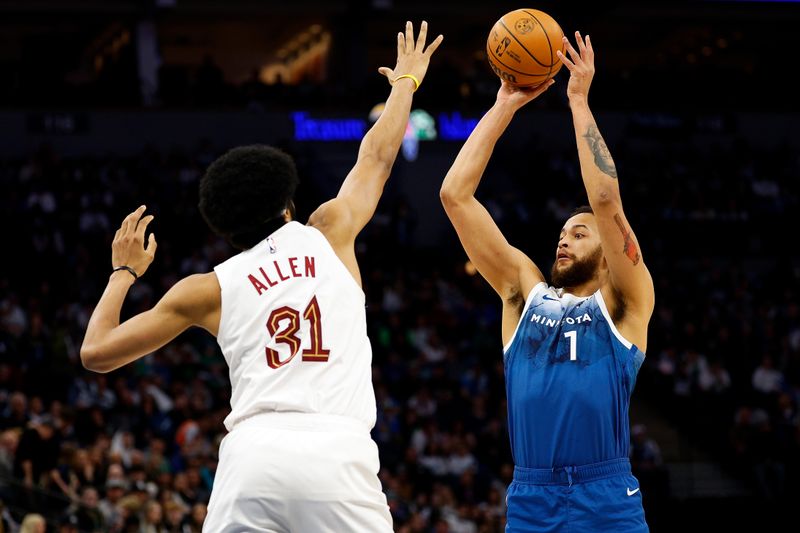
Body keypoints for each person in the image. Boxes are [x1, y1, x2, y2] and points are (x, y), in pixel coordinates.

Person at [80, 21, 443, 532]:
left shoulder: (207, 288)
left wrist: (123, 272)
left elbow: (96, 353)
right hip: (336, 453)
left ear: (224, 228)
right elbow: (378, 156)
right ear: (286, 201)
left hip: (252, 459)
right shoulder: (329, 232)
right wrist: (405, 82)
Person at [439, 32, 653, 532]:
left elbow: (605, 201)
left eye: (579, 234)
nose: (564, 240)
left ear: (606, 254)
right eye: (561, 233)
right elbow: (454, 195)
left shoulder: (623, 303)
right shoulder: (523, 292)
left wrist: (577, 100)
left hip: (607, 494)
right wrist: (503, 106)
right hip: (533, 495)